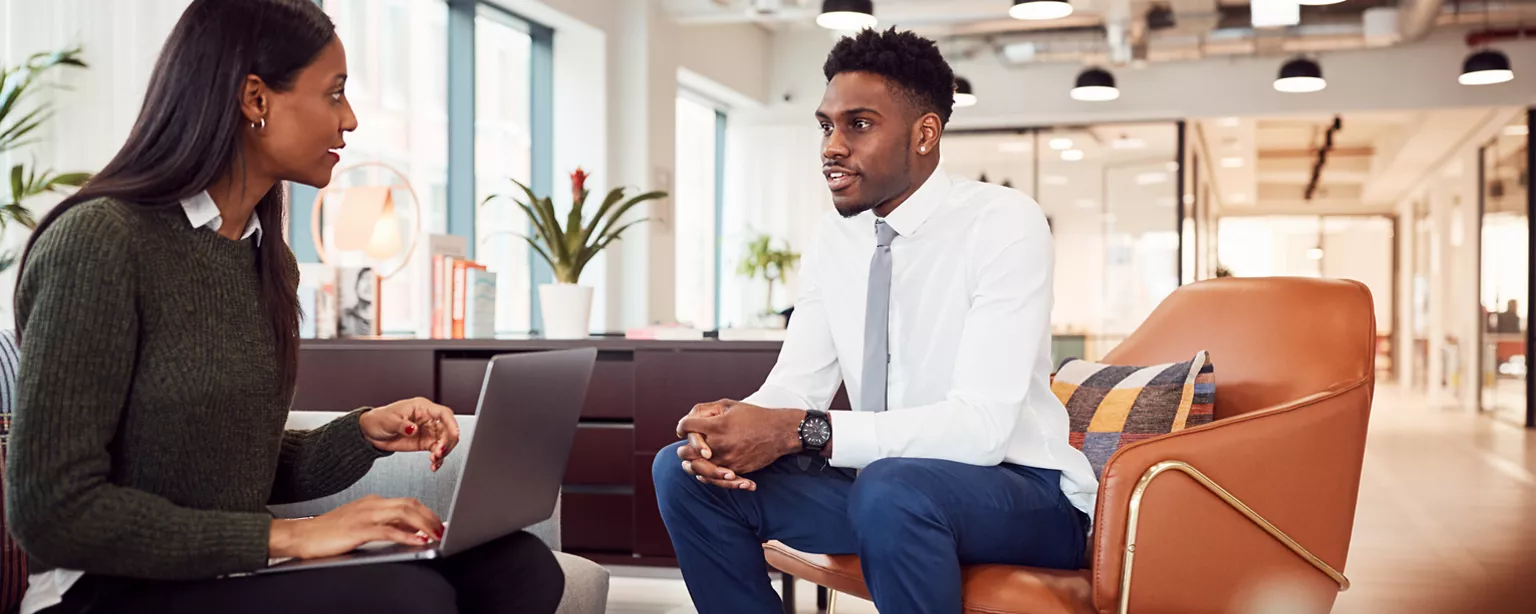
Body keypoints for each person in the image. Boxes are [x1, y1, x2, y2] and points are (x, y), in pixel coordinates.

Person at [3, 1, 562, 613]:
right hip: (111, 588)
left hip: (226, 572)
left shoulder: (267, 259)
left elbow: (236, 465)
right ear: (255, 98)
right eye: (335, 94)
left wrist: (365, 432)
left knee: (521, 568)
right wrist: (291, 536)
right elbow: (51, 510)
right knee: (405, 597)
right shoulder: (100, 242)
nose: (349, 120)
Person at [652, 28, 1098, 614]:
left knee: (894, 489)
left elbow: (981, 429)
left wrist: (798, 429)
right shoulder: (836, 236)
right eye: (826, 125)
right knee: (683, 473)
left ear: (925, 133)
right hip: (882, 487)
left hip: (1021, 494)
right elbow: (796, 385)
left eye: (858, 124)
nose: (831, 146)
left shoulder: (1005, 224)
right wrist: (739, 424)